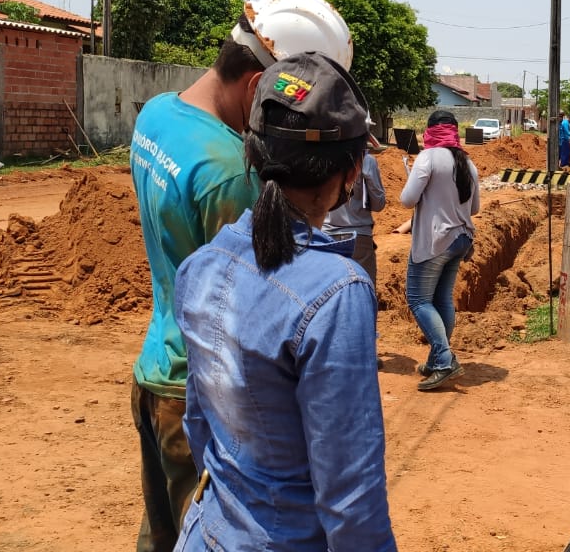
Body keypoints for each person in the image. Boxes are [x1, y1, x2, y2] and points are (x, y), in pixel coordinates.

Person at [128, 0, 355, 552]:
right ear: (258, 86)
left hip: (155, 367)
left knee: (163, 534)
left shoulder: (157, 114)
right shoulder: (229, 172)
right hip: (198, 391)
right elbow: (256, 299)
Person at [174, 51, 396, 551]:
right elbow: (350, 495)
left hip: (207, 533)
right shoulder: (337, 291)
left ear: (252, 153)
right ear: (354, 168)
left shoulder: (199, 267)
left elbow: (198, 423)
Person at [399, 110, 480, 391]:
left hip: (435, 241)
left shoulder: (428, 158)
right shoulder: (468, 163)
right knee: (442, 298)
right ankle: (436, 360)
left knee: (419, 300)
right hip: (461, 239)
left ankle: (445, 361)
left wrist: (422, 189)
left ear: (429, 132)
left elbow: (407, 201)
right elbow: (476, 208)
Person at [322, 119, 387, 285]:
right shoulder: (367, 160)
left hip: (327, 236)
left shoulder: (322, 156)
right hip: (359, 238)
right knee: (363, 292)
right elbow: (379, 204)